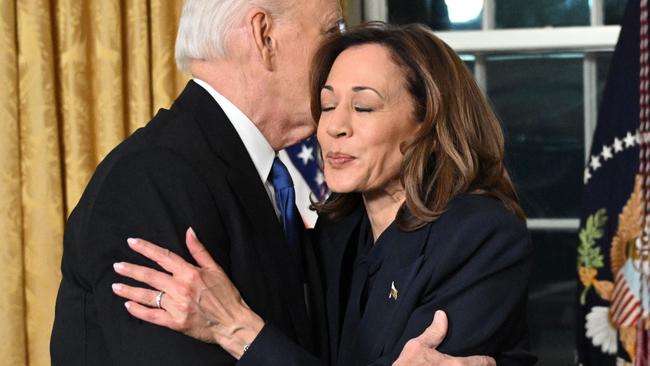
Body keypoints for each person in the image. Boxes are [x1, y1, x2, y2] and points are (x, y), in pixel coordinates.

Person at [49, 0, 489, 364]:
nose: (341, 53)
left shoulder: (262, 177)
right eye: (331, 30)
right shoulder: (154, 181)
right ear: (264, 37)